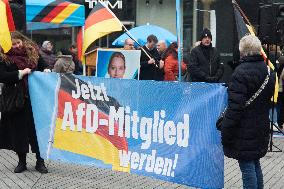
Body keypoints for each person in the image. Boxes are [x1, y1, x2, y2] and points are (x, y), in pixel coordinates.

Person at [220, 35, 276, 189]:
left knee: (247, 167)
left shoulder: (240, 73)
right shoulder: (269, 71)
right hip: (261, 125)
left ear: (243, 51)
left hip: (244, 128)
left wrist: (226, 129)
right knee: (255, 163)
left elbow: (235, 108)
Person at [0, 31, 48, 174]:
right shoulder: (4, 57)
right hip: (16, 100)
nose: (15, 46)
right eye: (12, 44)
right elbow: (2, 76)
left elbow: (43, 66)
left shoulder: (32, 53)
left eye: (17, 43)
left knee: (37, 132)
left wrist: (46, 70)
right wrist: (20, 73)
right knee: (18, 132)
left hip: (36, 99)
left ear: (22, 41)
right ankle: (22, 162)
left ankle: (40, 161)